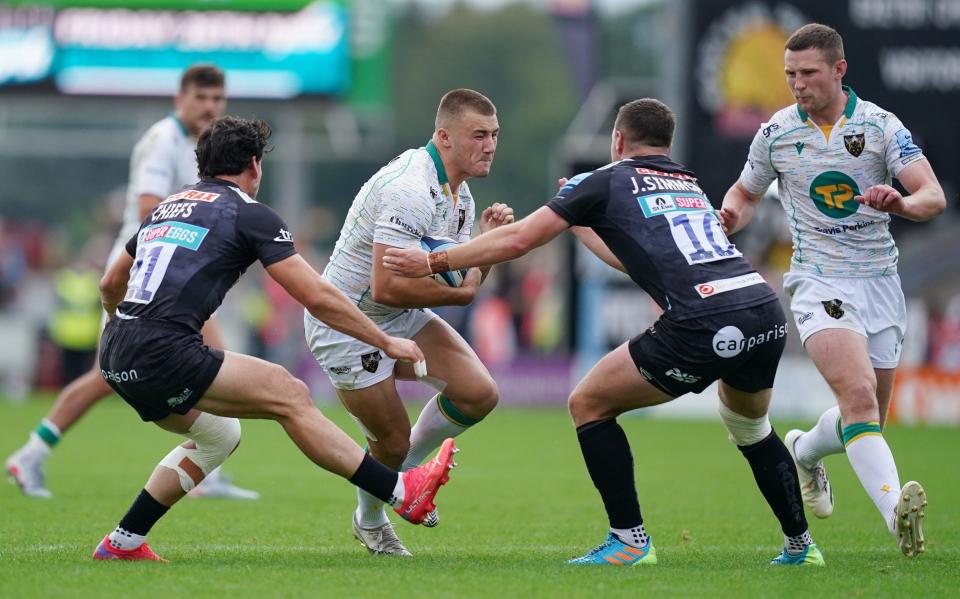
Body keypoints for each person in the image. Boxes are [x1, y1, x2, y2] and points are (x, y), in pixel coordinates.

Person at [383, 98, 823, 566]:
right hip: (763, 309)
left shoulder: (605, 179)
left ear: (617, 140)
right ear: (665, 144)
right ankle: (802, 546)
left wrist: (434, 260)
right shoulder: (685, 183)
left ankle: (630, 541)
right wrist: (579, 225)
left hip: (705, 319)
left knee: (588, 403)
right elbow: (638, 261)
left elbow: (518, 239)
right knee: (751, 428)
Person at [91, 115, 458, 562]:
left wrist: (119, 327)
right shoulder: (249, 213)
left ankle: (123, 541)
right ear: (254, 164)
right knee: (289, 394)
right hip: (162, 350)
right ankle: (401, 491)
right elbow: (317, 295)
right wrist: (386, 340)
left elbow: (111, 282)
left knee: (219, 435)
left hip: (114, 350)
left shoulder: (167, 207)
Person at [719, 23, 944, 559]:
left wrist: (901, 205)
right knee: (859, 398)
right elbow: (745, 191)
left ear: (839, 70)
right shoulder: (776, 132)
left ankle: (803, 449)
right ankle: (897, 514)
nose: (797, 84)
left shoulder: (880, 126)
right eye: (790, 74)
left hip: (882, 284)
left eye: (808, 74)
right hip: (818, 279)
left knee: (866, 421)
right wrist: (731, 213)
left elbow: (932, 196)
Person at [6, 64, 258, 500]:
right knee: (135, 368)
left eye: (217, 99)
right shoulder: (163, 141)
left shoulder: (201, 146)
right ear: (180, 99)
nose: (210, 107)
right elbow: (149, 212)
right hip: (144, 268)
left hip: (170, 269)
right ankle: (30, 455)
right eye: (201, 98)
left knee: (118, 372)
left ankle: (33, 454)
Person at [305, 88, 513, 556]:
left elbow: (464, 281)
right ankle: (372, 520)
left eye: (495, 135)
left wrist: (489, 243)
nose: (490, 145)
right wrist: (463, 287)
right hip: (346, 322)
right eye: (478, 135)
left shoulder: (459, 196)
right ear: (444, 136)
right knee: (392, 441)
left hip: (398, 316)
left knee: (479, 394)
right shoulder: (410, 187)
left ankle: (408, 482)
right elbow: (387, 287)